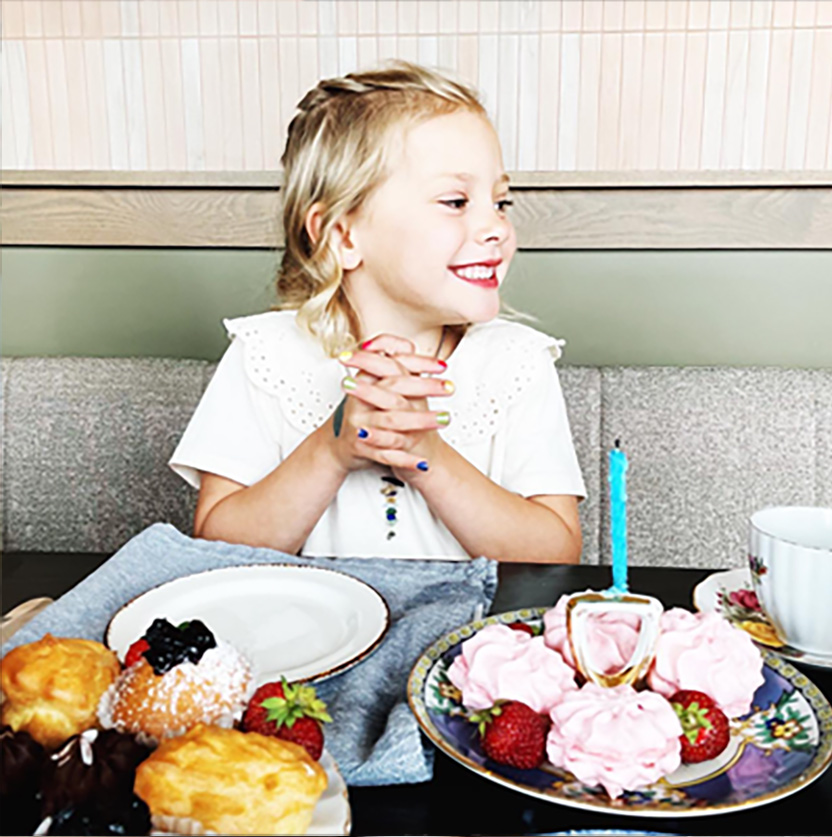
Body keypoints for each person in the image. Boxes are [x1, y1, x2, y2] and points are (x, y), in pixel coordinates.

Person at [169, 60, 585, 563]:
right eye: (456, 201)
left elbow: (555, 553)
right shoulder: (266, 357)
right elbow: (215, 546)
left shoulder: (516, 363)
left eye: (501, 202)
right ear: (341, 236)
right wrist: (332, 447)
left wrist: (426, 454)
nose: (495, 227)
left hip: (474, 639)